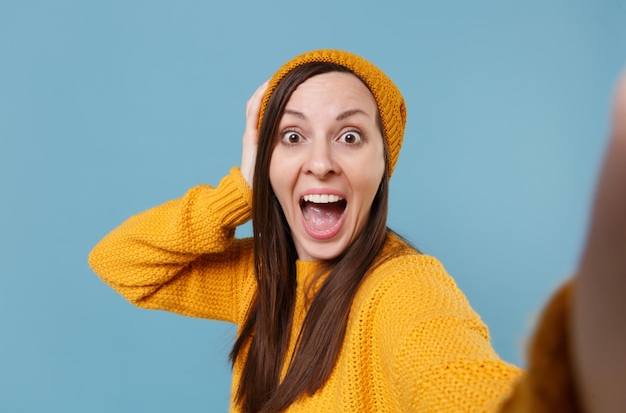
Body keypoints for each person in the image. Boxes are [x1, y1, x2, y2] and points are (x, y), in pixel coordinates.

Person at [88, 49, 625, 413]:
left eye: (349, 135)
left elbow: (458, 382)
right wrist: (240, 191)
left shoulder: (404, 289)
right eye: (292, 136)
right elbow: (120, 262)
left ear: (382, 164)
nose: (319, 162)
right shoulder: (261, 279)